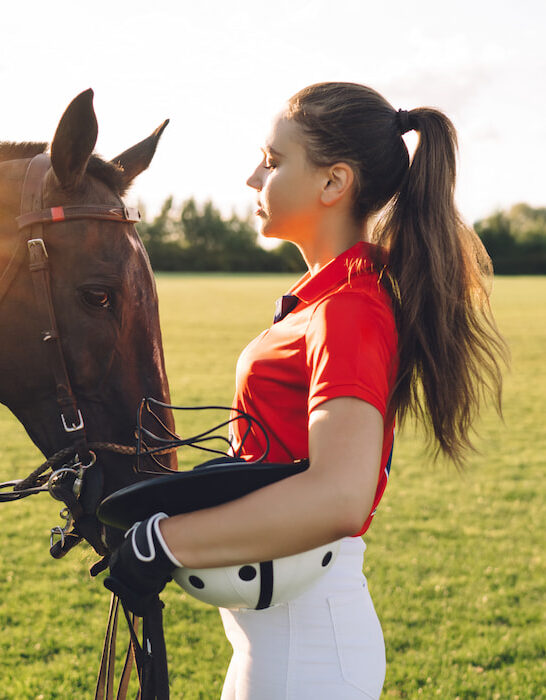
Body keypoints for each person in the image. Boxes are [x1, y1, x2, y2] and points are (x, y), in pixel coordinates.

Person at [105, 82, 507, 699]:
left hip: (308, 650)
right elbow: (277, 465)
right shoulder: (325, 298)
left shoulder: (349, 309)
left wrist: (163, 542)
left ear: (332, 183)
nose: (251, 178)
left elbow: (339, 496)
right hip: (279, 642)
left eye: (271, 161)